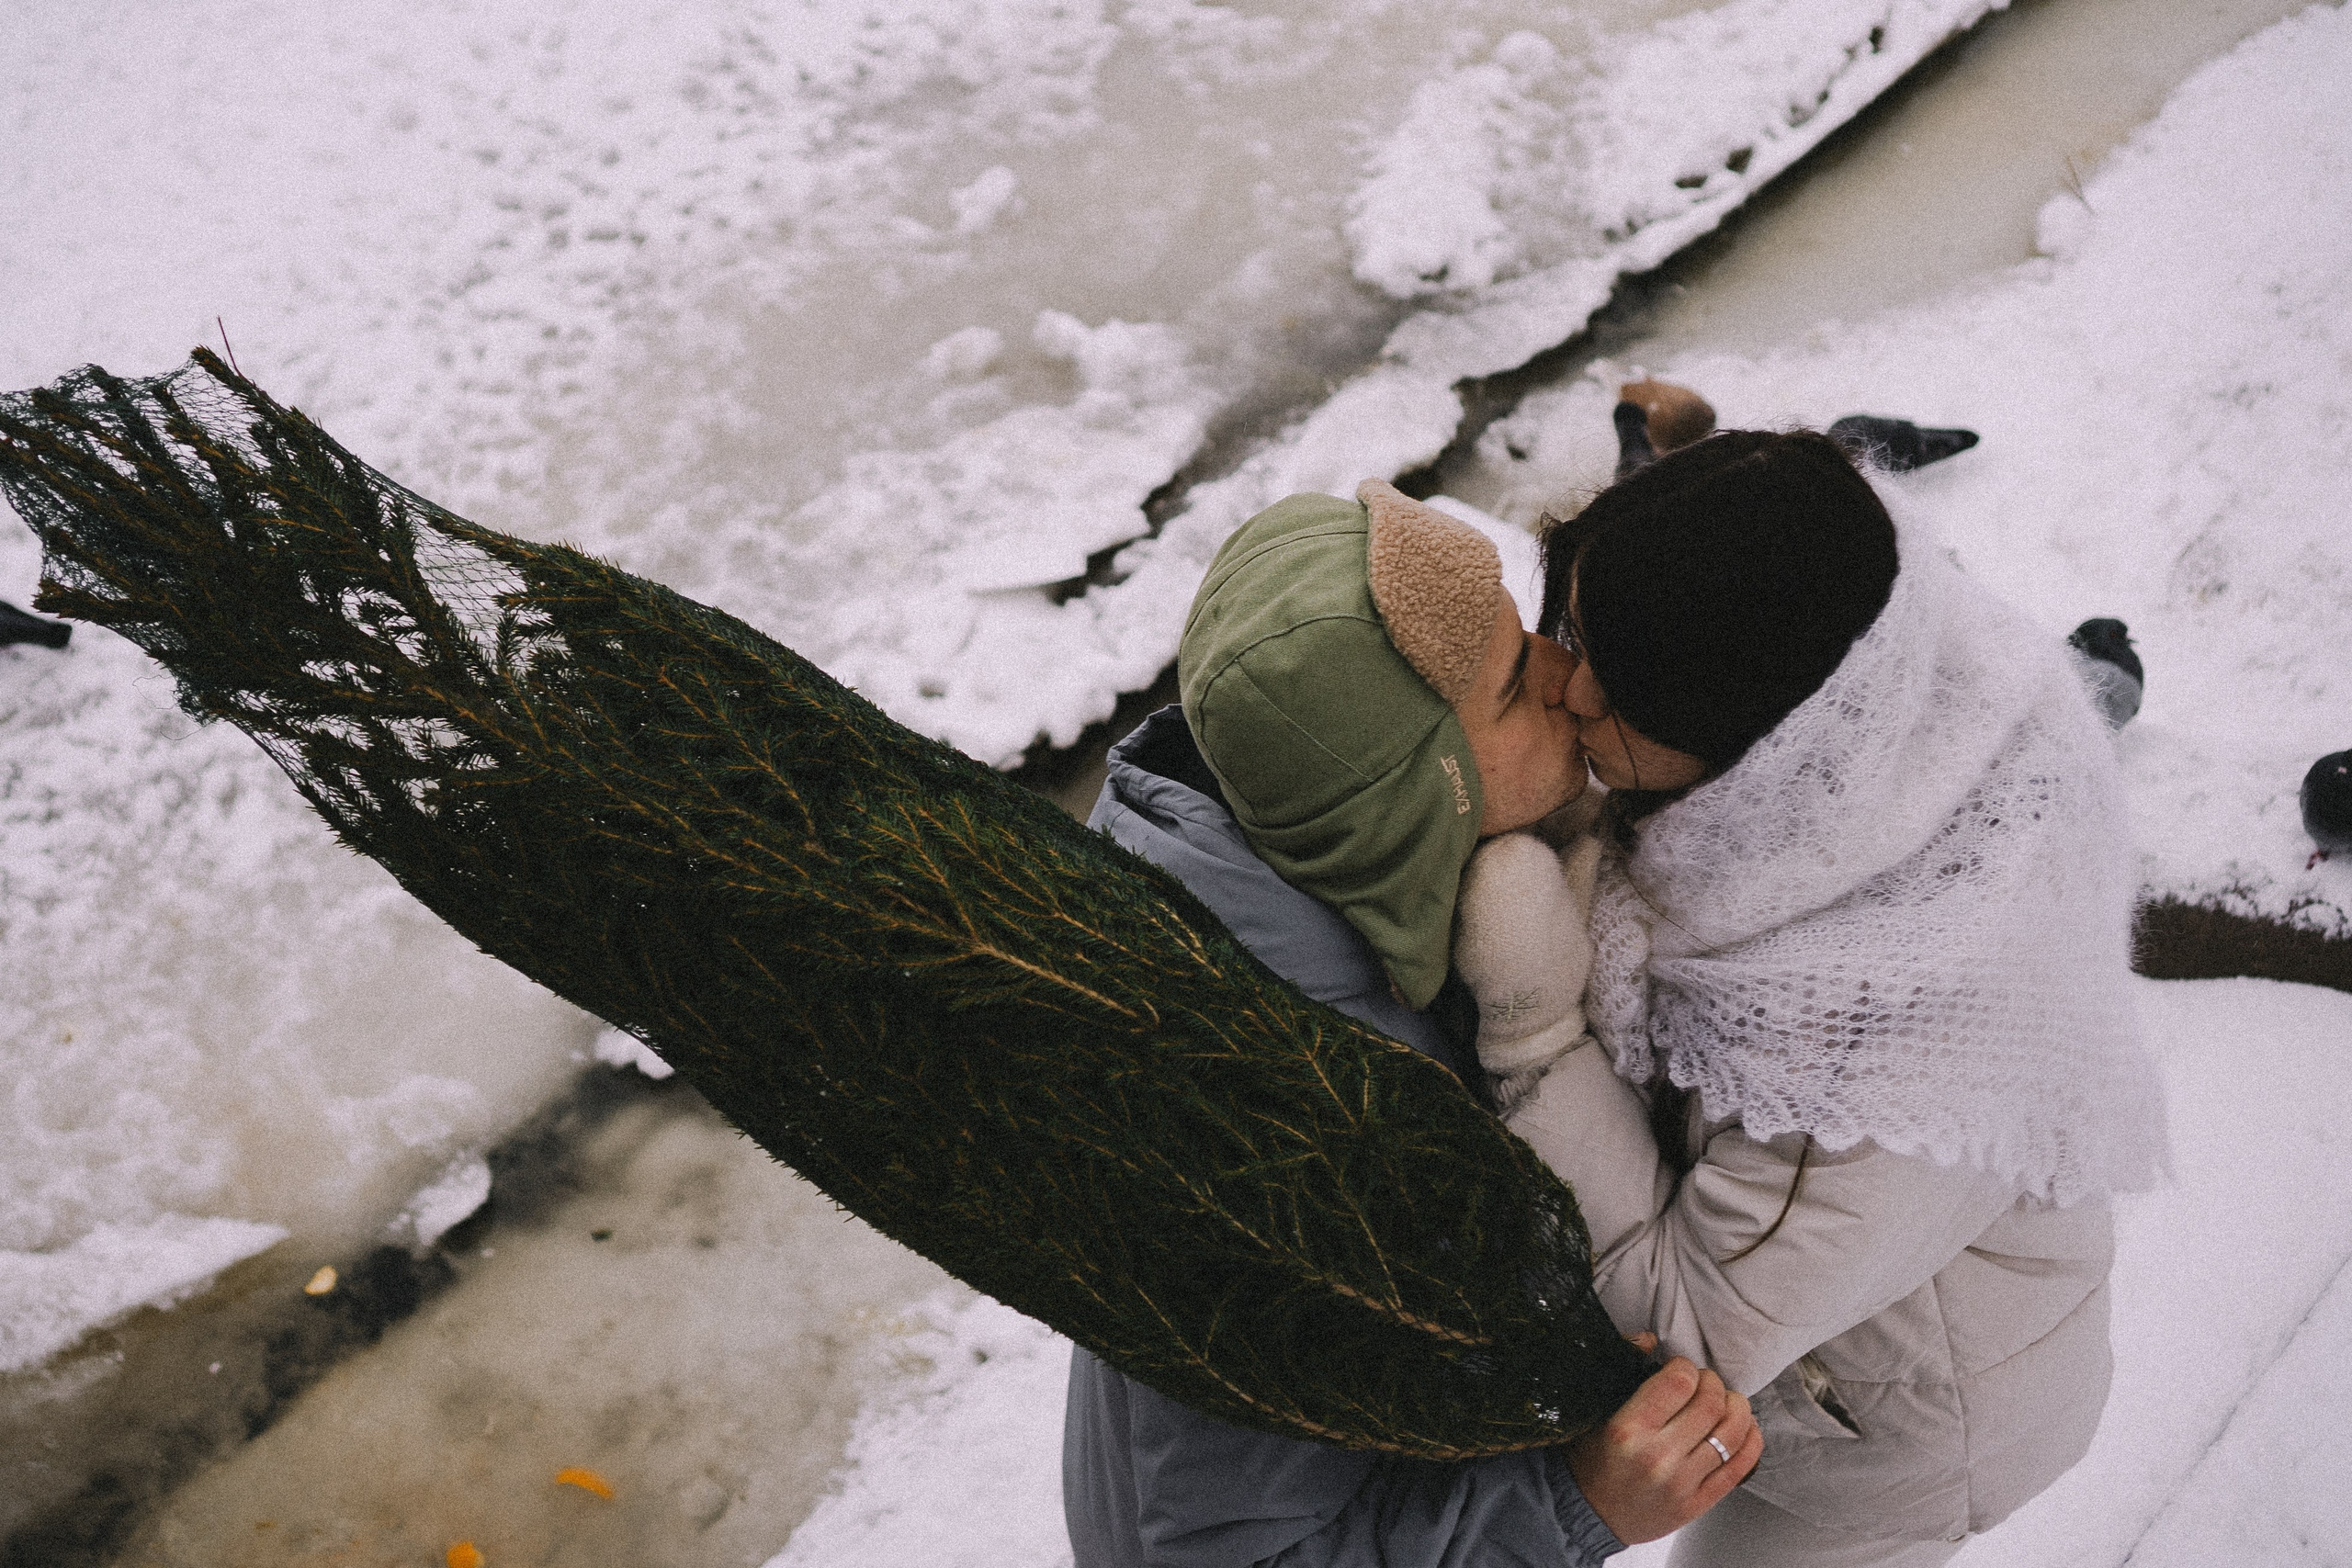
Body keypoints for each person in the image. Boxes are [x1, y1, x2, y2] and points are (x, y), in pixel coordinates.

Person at [1451, 427, 2169, 1566]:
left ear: (1761, 735)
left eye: (1624, 685)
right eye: (1574, 627)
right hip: (1850, 1349)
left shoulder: (1870, 1048)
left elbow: (1679, 1323)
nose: (1570, 686)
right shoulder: (1883, 693)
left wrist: (1535, 1033)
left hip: (1890, 1440)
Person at [1063, 479, 1762, 1567]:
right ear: (1408, 803)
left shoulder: (1274, 899)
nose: (1567, 676)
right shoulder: (1292, 1138)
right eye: (1511, 690)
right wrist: (1568, 1506)